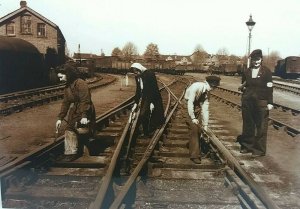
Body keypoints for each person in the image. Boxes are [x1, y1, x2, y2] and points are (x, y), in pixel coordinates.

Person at [55, 64, 96, 162]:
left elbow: (85, 100)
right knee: (70, 127)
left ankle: (73, 153)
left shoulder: (80, 83)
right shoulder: (67, 86)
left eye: (61, 77)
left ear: (68, 74)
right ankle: (72, 152)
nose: (60, 80)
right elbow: (66, 103)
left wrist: (84, 115)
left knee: (75, 129)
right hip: (75, 109)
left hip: (85, 108)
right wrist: (60, 118)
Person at [238, 49, 273, 157]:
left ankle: (259, 150)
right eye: (254, 60)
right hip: (248, 102)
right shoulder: (247, 71)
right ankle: (247, 146)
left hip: (261, 103)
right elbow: (244, 85)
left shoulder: (267, 72)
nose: (256, 62)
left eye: (258, 59)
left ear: (261, 59)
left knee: (261, 127)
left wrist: (270, 102)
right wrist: (244, 93)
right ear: (251, 60)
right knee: (248, 125)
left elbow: (270, 88)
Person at [184, 75, 221, 164]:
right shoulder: (196, 87)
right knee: (194, 129)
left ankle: (194, 145)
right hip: (188, 103)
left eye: (215, 87)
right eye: (213, 87)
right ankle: (194, 155)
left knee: (200, 130)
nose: (213, 89)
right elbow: (190, 103)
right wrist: (193, 118)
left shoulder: (207, 92)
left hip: (196, 105)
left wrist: (205, 125)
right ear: (207, 84)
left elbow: (205, 108)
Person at [130, 63, 165, 138]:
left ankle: (149, 131)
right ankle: (146, 132)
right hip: (145, 96)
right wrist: (136, 102)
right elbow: (138, 90)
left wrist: (152, 102)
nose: (135, 74)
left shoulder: (150, 74)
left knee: (148, 113)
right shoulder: (137, 77)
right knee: (143, 114)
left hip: (153, 96)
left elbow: (153, 88)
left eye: (136, 72)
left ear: (140, 69)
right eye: (134, 72)